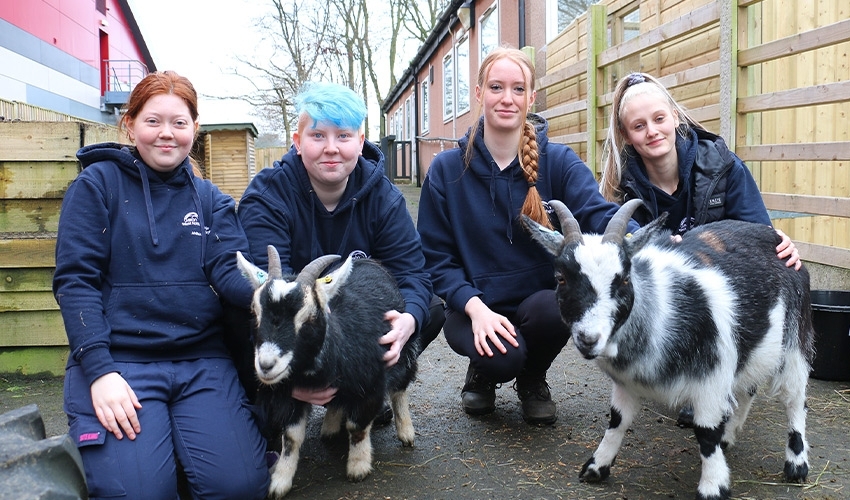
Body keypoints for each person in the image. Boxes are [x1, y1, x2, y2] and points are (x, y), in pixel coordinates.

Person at [52, 71, 270, 499]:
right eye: (153, 121)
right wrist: (100, 371)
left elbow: (230, 270)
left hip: (200, 359)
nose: (166, 133)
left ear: (194, 129)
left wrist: (270, 291)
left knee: (241, 487)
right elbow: (76, 282)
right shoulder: (95, 187)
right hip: (122, 361)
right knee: (138, 493)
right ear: (130, 124)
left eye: (179, 122)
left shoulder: (210, 199)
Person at [416, 47, 641, 426]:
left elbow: (597, 213)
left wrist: (640, 237)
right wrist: (474, 308)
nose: (507, 98)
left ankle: (533, 376)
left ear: (531, 97)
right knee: (503, 360)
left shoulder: (558, 161)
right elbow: (435, 258)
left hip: (539, 302)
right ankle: (483, 373)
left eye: (518, 89)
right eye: (496, 87)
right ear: (479, 93)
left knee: (560, 308)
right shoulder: (446, 170)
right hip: (473, 307)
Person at [599, 71, 802, 427]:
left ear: (675, 117)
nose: (652, 131)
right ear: (626, 136)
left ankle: (724, 376)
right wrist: (655, 245)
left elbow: (756, 232)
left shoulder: (723, 166)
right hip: (670, 301)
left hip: (723, 295)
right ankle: (661, 373)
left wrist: (777, 242)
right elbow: (617, 240)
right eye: (639, 126)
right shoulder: (621, 187)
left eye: (659, 119)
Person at [237, 81, 445, 410]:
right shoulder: (267, 197)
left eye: (343, 136)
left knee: (428, 309)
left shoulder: (384, 198)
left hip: (351, 318)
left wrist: (409, 321)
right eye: (318, 136)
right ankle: (289, 387)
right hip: (298, 322)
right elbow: (271, 294)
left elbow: (412, 274)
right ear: (298, 142)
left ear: (360, 143)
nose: (331, 148)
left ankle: (364, 388)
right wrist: (287, 381)